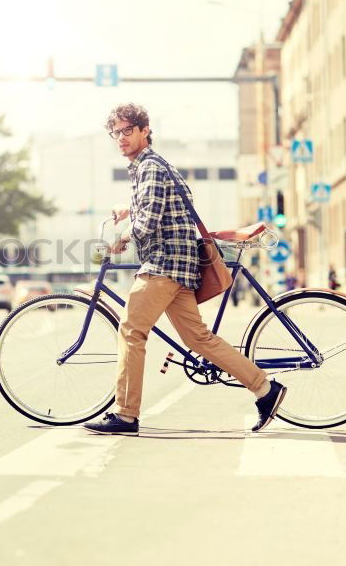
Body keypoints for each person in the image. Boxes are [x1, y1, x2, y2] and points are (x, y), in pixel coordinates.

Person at [84, 103, 286, 435]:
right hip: (180, 264)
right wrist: (129, 208)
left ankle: (125, 414)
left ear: (144, 130)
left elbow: (149, 222)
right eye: (115, 133)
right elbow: (163, 205)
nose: (121, 138)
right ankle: (265, 389)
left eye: (127, 130)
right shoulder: (156, 165)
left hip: (164, 264)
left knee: (131, 331)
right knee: (199, 339)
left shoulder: (149, 167)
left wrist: (119, 240)